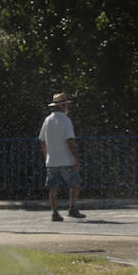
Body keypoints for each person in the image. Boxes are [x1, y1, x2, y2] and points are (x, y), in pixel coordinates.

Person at [39, 92, 85, 221]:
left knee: (53, 187)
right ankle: (72, 208)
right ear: (62, 106)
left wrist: (46, 156)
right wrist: (76, 158)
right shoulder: (66, 120)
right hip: (66, 159)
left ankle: (54, 212)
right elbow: (70, 141)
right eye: (65, 104)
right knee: (75, 184)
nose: (66, 106)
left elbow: (42, 140)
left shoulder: (47, 120)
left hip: (51, 160)